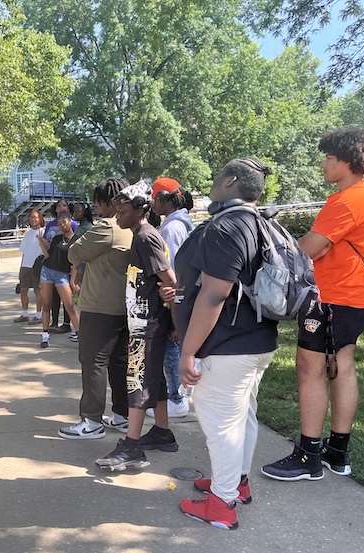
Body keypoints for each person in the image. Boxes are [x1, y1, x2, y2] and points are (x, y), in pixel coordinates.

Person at [262, 127, 364, 482]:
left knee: (310, 370)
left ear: (347, 161)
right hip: (355, 296)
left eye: (329, 158)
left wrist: (276, 250)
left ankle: (308, 455)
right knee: (341, 367)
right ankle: (337, 451)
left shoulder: (345, 200)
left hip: (332, 298)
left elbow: (310, 248)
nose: (324, 164)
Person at [172, 157, 277, 530]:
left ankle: (221, 505)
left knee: (221, 427)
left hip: (227, 345)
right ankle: (235, 484)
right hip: (257, 339)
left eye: (218, 176)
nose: (214, 182)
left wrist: (188, 352)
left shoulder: (227, 225)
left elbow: (215, 294)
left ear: (231, 180)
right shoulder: (259, 223)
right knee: (242, 417)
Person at [94, 181, 179, 471]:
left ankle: (131, 447)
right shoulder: (140, 234)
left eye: (122, 211)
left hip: (147, 322)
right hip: (143, 318)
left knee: (138, 381)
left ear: (140, 210)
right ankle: (162, 432)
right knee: (154, 379)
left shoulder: (145, 236)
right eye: (116, 211)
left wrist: (175, 319)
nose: (117, 217)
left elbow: (171, 281)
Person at [59, 177, 133, 440]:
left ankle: (91, 421)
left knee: (93, 363)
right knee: (119, 364)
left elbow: (73, 253)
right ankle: (123, 415)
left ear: (104, 203)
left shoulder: (106, 227)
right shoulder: (134, 225)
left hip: (100, 306)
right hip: (125, 306)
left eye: (97, 202)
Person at [147, 178, 196, 419]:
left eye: (155, 198)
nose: (153, 203)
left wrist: (174, 305)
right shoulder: (180, 223)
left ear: (167, 199)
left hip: (174, 295)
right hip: (181, 295)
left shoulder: (172, 228)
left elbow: (173, 268)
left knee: (171, 344)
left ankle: (177, 397)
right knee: (176, 345)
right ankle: (181, 392)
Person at [37, 213, 80, 348]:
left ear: (70, 222)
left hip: (62, 274)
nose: (62, 226)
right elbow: (48, 255)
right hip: (47, 271)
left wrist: (72, 281)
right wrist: (40, 241)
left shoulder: (77, 240)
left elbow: (75, 264)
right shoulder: (56, 238)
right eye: (60, 224)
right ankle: (45, 335)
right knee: (46, 304)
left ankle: (81, 335)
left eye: (64, 222)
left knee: (70, 306)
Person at [44, 199, 78, 333]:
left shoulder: (74, 225)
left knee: (68, 302)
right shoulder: (51, 225)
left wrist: (74, 277)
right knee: (53, 298)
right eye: (59, 206)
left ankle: (68, 324)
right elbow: (48, 245)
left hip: (66, 269)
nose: (62, 207)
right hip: (52, 266)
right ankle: (54, 322)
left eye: (64, 205)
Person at [14, 209, 44, 325]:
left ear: (40, 218)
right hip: (26, 265)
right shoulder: (27, 234)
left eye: (35, 217)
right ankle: (25, 314)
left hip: (37, 266)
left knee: (38, 290)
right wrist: (21, 268)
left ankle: (38, 315)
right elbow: (24, 252)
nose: (33, 219)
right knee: (23, 290)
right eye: (31, 217)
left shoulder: (43, 232)